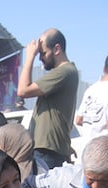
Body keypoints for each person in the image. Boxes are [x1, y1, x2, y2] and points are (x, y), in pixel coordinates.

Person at [18, 28, 80, 170]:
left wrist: (29, 57)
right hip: (47, 148)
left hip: (46, 149)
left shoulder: (65, 71)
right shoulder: (67, 73)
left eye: (43, 53)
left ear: (57, 49)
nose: (40, 58)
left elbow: (23, 90)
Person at [75, 51, 108, 141]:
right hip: (102, 146)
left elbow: (78, 120)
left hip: (85, 144)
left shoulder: (90, 90)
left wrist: (91, 124)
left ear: (104, 69)